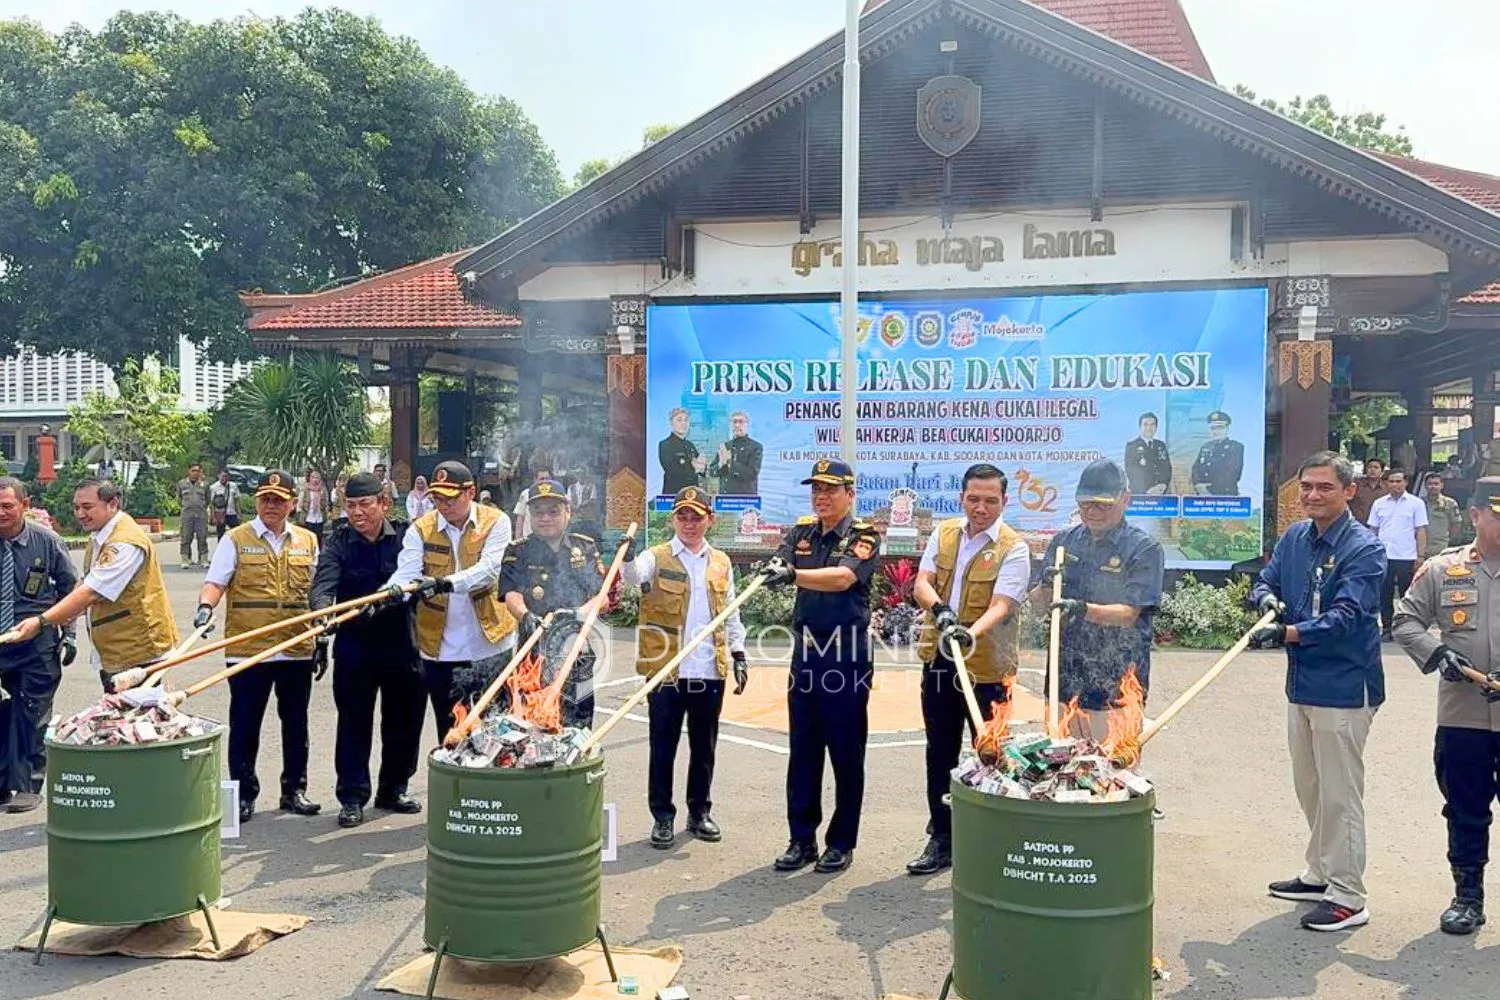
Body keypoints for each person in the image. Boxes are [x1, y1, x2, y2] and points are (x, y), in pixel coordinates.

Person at [1250, 450, 1385, 932]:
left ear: (1349, 491)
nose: (1312, 495)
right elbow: (1266, 578)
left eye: (1324, 487)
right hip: (1302, 684)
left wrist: (1287, 634)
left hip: (1345, 686)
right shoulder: (1295, 537)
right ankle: (1320, 872)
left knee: (1340, 794)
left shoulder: (1364, 548)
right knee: (1309, 785)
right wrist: (1265, 597)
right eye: (1306, 486)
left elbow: (1347, 616)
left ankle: (1349, 896)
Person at [759, 459, 882, 874]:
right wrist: (776, 568)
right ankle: (801, 839)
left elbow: (844, 578)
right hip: (807, 653)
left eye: (831, 489)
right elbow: (778, 562)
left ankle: (841, 842)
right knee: (804, 750)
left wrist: (792, 574)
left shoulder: (863, 535)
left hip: (845, 655)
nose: (822, 496)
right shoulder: (801, 533)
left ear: (850, 493)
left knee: (846, 752)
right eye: (816, 489)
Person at [907, 464, 1031, 875]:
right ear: (962, 497)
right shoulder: (944, 534)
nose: (981, 508)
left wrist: (967, 632)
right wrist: (941, 611)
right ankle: (941, 838)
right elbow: (922, 582)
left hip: (988, 669)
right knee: (939, 751)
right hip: (941, 662)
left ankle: (989, 843)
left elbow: (1002, 604)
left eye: (990, 500)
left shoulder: (1014, 547)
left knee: (990, 755)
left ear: (1004, 501)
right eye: (973, 499)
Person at [1392, 476, 1500, 935]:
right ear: (1475, 516)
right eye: (1497, 515)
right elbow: (1406, 621)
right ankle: (1467, 896)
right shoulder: (1442, 569)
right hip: (1463, 716)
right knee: (1465, 809)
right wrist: (1439, 655)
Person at [622, 486, 749, 849]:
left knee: (704, 748)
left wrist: (738, 653)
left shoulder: (721, 562)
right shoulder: (656, 556)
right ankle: (662, 817)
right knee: (663, 747)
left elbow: (731, 611)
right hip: (667, 670)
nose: (690, 524)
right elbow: (634, 577)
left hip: (709, 670)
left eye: (697, 517)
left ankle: (699, 813)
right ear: (673, 519)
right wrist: (627, 559)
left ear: (710, 519)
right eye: (683, 516)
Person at [196, 469, 322, 823]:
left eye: (279, 500)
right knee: (246, 722)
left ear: (292, 504)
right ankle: (242, 793)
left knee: (296, 723)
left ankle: (294, 790)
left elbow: (319, 591)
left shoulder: (308, 541)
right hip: (248, 648)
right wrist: (205, 606)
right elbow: (215, 581)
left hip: (296, 647)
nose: (271, 505)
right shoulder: (236, 539)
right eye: (265, 499)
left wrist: (322, 630)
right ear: (257, 502)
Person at [310, 472, 425, 828]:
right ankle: (352, 797)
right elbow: (324, 583)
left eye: (365, 504)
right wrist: (322, 615)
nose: (357, 513)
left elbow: (416, 579)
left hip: (402, 643)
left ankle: (393, 789)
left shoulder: (408, 537)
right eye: (351, 505)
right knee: (353, 724)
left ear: (384, 504)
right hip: (354, 647)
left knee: (404, 723)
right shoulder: (338, 542)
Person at [1029, 460, 1164, 741]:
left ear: (1125, 499)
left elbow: (1129, 613)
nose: (1092, 511)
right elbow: (1038, 606)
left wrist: (1081, 609)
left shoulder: (1143, 548)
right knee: (1059, 772)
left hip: (1116, 683)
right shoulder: (1063, 543)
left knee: (1111, 773)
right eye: (1086, 503)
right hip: (1065, 681)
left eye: (1103, 504)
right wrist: (1045, 584)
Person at [383, 460, 514, 741]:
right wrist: (388, 593)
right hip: (440, 649)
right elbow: (406, 573)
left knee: (496, 730)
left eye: (451, 498)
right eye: (438, 498)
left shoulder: (496, 521)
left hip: (490, 643)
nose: (443, 505)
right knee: (450, 730)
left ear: (471, 492)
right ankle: (455, 784)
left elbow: (490, 569)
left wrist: (445, 583)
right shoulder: (420, 528)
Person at [8, 480, 178, 692]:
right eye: (76, 507)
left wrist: (42, 621)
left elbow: (90, 593)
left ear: (113, 504)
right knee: (117, 716)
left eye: (87, 507)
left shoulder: (124, 542)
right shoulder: (101, 534)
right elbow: (84, 583)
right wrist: (64, 616)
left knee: (136, 718)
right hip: (115, 646)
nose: (80, 514)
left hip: (137, 648)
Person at [500, 480, 614, 729]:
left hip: (577, 651)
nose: (545, 518)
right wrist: (525, 615)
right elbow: (511, 594)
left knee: (578, 727)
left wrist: (576, 614)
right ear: (529, 515)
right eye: (538, 512)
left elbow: (601, 597)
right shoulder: (518, 551)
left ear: (568, 511)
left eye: (553, 511)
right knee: (533, 728)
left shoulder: (584, 548)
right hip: (534, 652)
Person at [0, 478, 76, 813]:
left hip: (36, 641)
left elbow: (71, 590)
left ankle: (28, 784)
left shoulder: (46, 541)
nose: (1, 513)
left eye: (7, 506)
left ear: (25, 504)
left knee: (31, 712)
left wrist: (69, 634)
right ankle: (2, 783)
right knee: (3, 714)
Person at [1367, 467, 1428, 640]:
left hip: (1406, 556)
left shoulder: (1416, 503)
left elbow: (1420, 530)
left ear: (1406, 482)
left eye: (1398, 481)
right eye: (1391, 481)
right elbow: (1373, 530)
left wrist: (1420, 556)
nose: (1395, 484)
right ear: (1386, 483)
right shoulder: (1379, 503)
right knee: (1384, 595)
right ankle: (1387, 628)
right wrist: (1371, 554)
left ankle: (1406, 630)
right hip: (1383, 556)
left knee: (1407, 595)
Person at [1189, 410, 1244, 496]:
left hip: (1225, 495)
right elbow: (1195, 468)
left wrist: (1208, 489)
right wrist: (1198, 486)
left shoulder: (1235, 447)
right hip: (1202, 495)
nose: (1216, 431)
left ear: (1227, 428)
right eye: (1212, 428)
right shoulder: (1205, 447)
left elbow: (1233, 474)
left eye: (1220, 427)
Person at [710, 411, 764, 496]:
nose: (737, 425)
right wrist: (720, 464)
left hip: (745, 500)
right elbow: (712, 472)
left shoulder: (755, 447)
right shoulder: (725, 446)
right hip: (725, 500)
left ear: (747, 424)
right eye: (734, 422)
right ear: (730, 425)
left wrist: (730, 463)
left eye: (741, 421)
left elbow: (752, 473)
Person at [1123, 412, 1173, 495]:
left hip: (1160, 493)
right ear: (1140, 427)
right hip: (1140, 494)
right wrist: (1147, 490)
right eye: (1145, 424)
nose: (1149, 428)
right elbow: (1131, 471)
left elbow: (1167, 468)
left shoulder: (1161, 445)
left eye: (1152, 425)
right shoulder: (1132, 446)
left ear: (1156, 427)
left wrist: (1162, 486)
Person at [659, 407, 705, 495]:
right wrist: (694, 470)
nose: (683, 424)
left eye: (686, 420)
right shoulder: (665, 445)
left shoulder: (690, 445)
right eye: (679, 420)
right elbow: (672, 471)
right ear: (671, 423)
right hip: (674, 495)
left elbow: (700, 469)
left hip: (693, 495)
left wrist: (702, 467)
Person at [1423, 471, 1465, 558]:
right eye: (1430, 484)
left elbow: (1456, 524)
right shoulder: (1419, 503)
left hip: (1441, 548)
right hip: (1421, 548)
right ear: (1425, 486)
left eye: (1436, 484)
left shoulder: (1450, 503)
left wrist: (1447, 539)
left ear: (1442, 485)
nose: (1433, 487)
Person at [176, 462, 210, 569]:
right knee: (186, 537)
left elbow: (208, 499)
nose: (195, 473)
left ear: (200, 472)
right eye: (193, 471)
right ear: (189, 471)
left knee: (202, 537)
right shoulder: (182, 484)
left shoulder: (204, 484)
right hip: (187, 514)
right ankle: (186, 559)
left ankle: (203, 559)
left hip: (200, 515)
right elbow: (179, 498)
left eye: (197, 471)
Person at [1350, 457, 1385, 525]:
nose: (1372, 470)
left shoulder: (1386, 488)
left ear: (1382, 471)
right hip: (1356, 525)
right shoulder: (1356, 484)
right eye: (1370, 467)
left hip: (1378, 526)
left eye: (1376, 467)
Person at [209, 469, 242, 541]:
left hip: (232, 513)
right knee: (220, 534)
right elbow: (211, 503)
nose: (224, 478)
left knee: (236, 533)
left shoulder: (233, 486)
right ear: (218, 476)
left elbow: (237, 501)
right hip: (220, 514)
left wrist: (239, 514)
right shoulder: (213, 487)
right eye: (223, 476)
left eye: (226, 476)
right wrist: (213, 516)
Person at [297, 469, 328, 542]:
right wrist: (299, 517)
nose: (315, 480)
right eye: (313, 477)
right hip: (308, 519)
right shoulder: (305, 489)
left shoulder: (323, 490)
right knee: (307, 540)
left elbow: (325, 504)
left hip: (319, 519)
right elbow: (299, 505)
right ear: (310, 478)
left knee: (318, 540)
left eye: (317, 478)